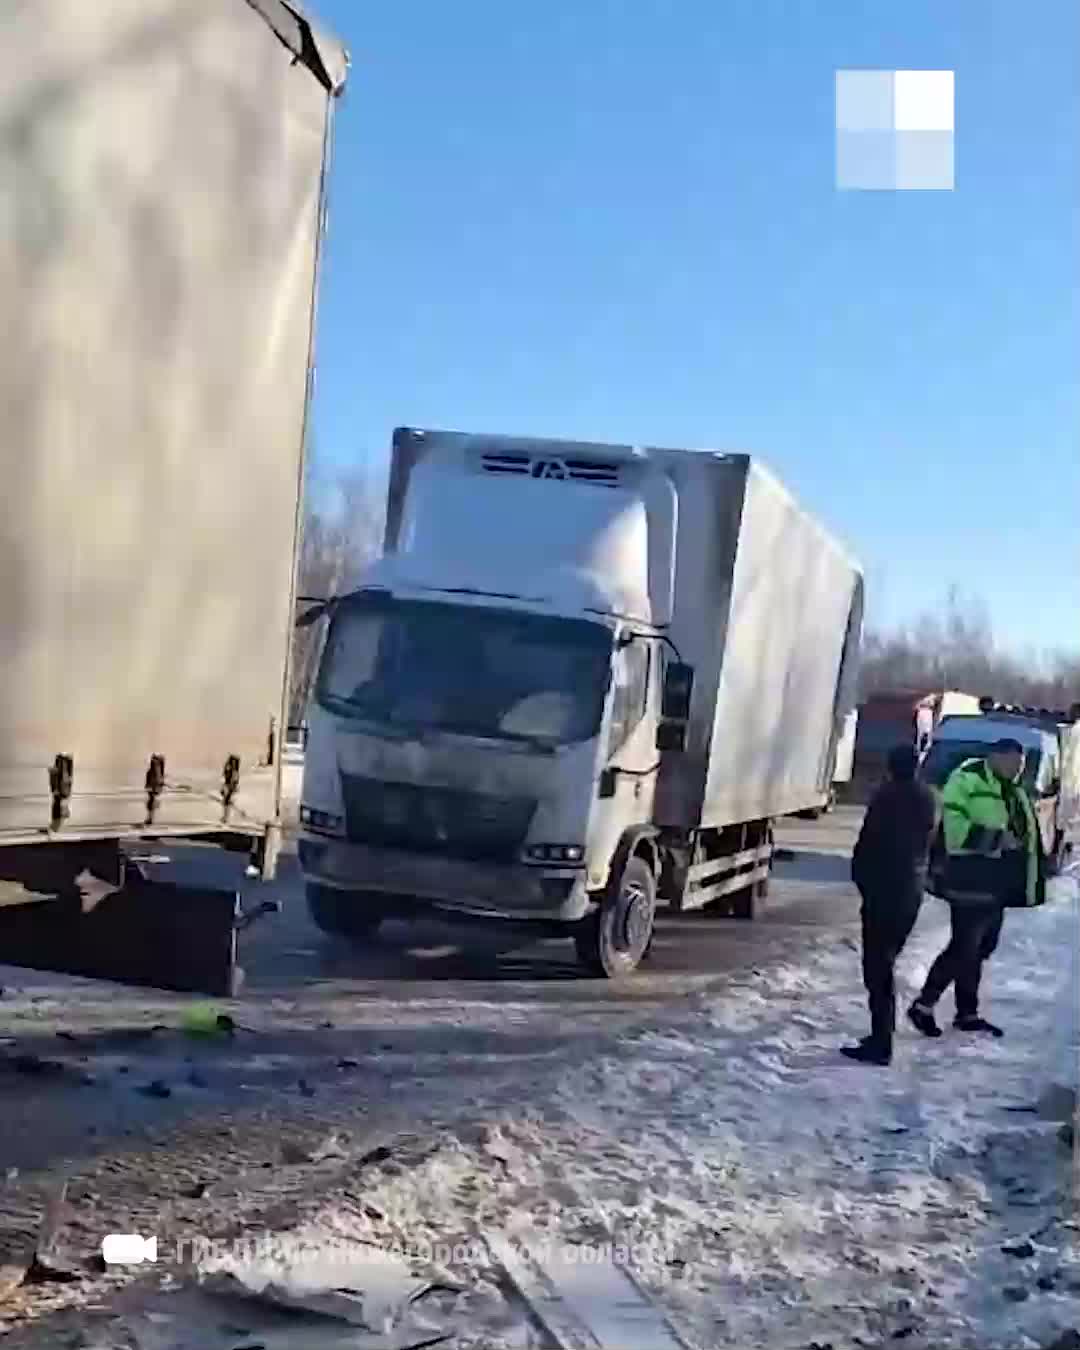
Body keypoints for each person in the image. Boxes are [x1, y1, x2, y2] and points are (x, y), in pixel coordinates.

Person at [908, 737, 1044, 1040]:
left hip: (996, 882)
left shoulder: (1012, 790)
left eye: (1020, 765)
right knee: (963, 946)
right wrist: (997, 840)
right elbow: (955, 831)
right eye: (1011, 763)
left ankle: (967, 1013)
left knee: (981, 948)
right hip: (969, 879)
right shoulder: (967, 779)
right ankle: (924, 1006)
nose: (1016, 770)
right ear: (995, 757)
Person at [841, 745, 939, 1066]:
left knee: (878, 968)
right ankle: (881, 1035)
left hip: (884, 891)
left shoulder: (887, 797)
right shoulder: (928, 798)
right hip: (910, 890)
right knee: (886, 962)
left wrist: (863, 881)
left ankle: (881, 1041)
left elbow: (869, 842)